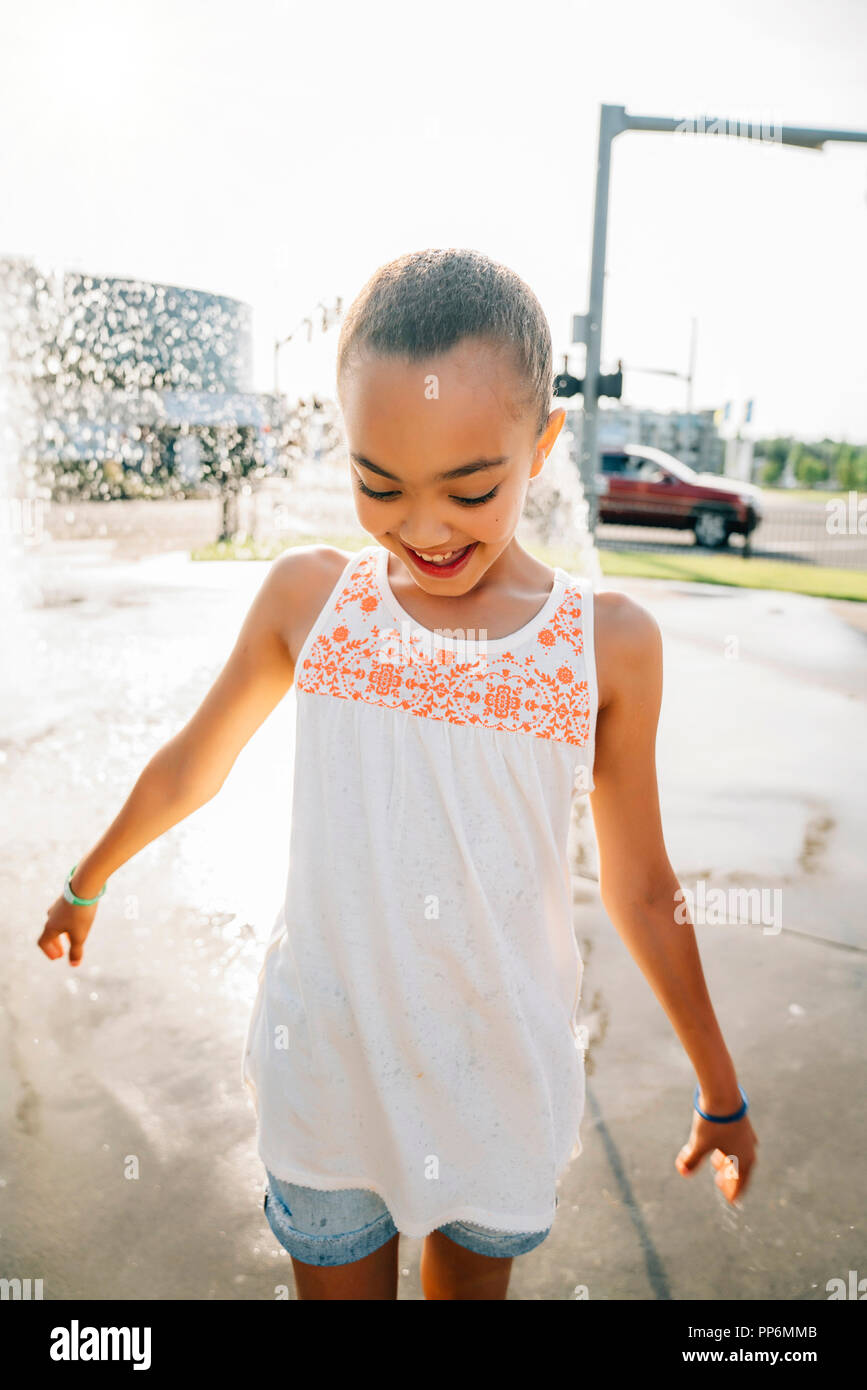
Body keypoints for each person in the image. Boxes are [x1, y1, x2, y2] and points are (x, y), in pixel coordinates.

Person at [37, 248, 758, 1301]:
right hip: (327, 1071)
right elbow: (197, 762)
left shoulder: (606, 647)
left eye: (471, 490)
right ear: (350, 448)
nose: (423, 528)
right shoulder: (308, 601)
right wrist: (89, 875)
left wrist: (723, 1091)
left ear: (543, 444)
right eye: (381, 485)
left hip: (497, 1085)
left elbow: (645, 887)